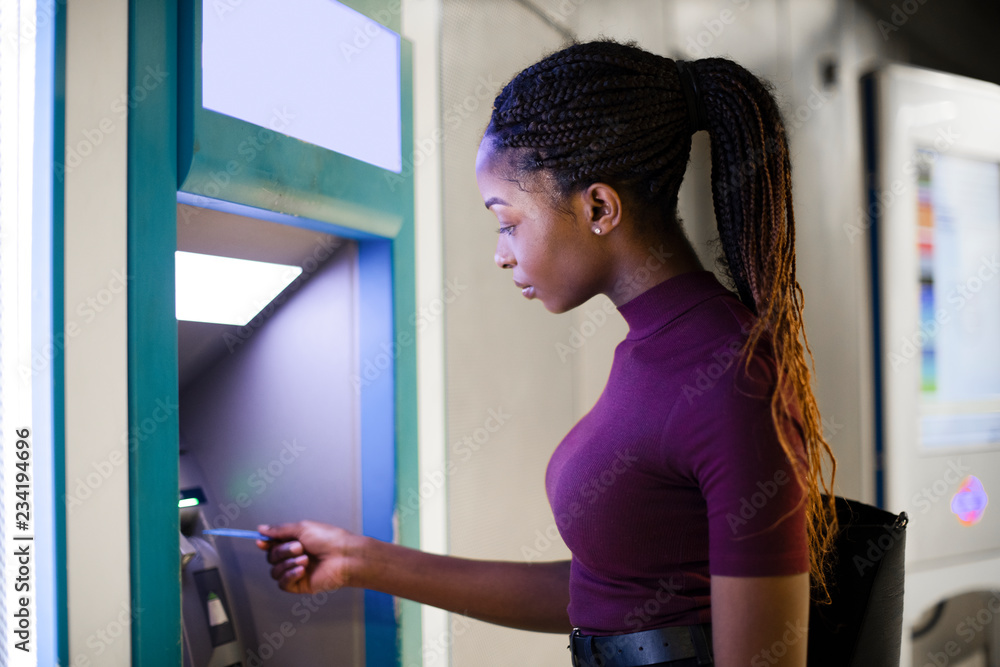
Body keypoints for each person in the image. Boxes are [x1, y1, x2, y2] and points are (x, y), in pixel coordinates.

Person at [258, 39, 838, 667]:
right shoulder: (652, 350)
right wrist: (358, 559)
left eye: (508, 222)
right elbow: (611, 593)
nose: (501, 253)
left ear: (598, 207)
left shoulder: (729, 376)